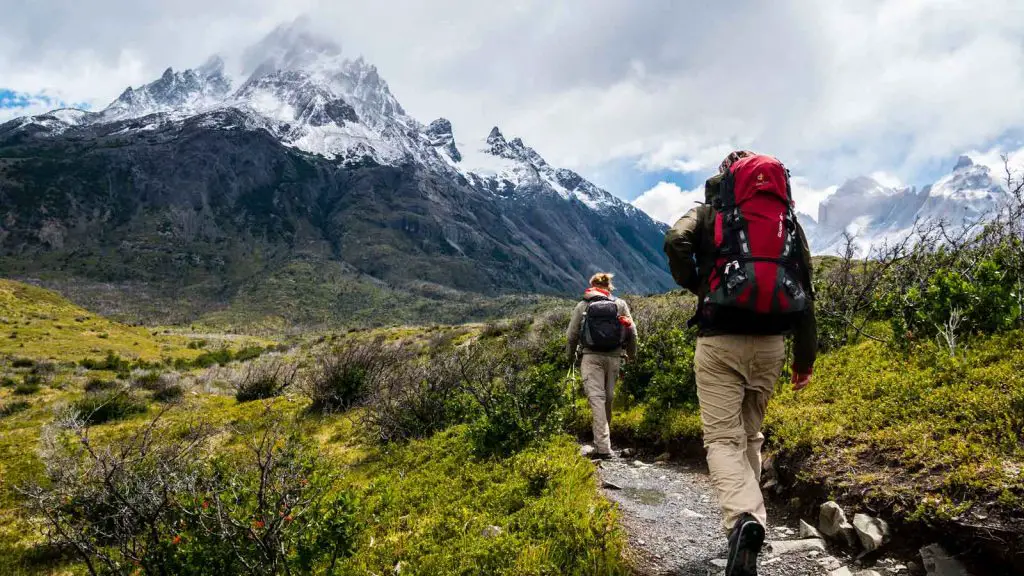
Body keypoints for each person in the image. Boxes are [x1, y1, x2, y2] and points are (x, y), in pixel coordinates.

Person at [663, 150, 817, 576]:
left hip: (719, 341)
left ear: (726, 178)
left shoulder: (710, 213)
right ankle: (754, 521)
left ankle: (743, 520)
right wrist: (805, 357)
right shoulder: (786, 220)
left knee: (722, 439)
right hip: (772, 344)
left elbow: (675, 241)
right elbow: (804, 284)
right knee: (750, 434)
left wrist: (697, 283)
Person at [566, 272, 637, 460]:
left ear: (592, 285)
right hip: (614, 358)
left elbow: (571, 335)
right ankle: (604, 443)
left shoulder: (583, 305)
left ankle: (603, 448)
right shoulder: (619, 304)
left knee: (597, 399)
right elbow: (632, 331)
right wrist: (631, 354)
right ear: (609, 286)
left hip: (590, 358)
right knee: (608, 398)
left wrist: (570, 357)